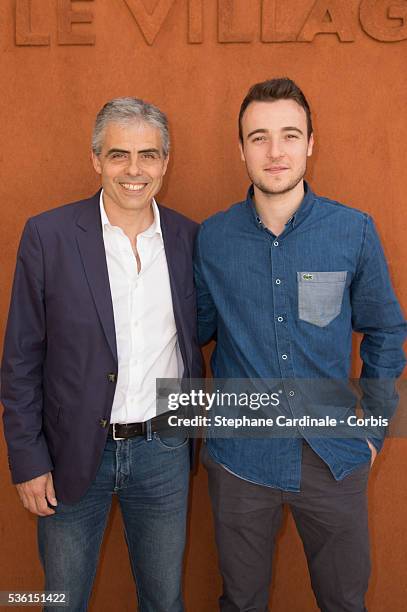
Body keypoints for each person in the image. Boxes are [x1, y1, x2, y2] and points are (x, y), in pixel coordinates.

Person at [194, 78, 406, 611]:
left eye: (290, 135)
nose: (275, 151)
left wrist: (374, 427)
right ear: (240, 148)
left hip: (335, 456)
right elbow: (189, 331)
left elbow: (385, 330)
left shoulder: (353, 230)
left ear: (311, 142)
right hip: (241, 458)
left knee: (344, 602)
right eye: (259, 137)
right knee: (240, 603)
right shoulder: (212, 239)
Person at [1, 97, 202, 612]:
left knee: (164, 599)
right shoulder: (48, 236)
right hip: (70, 454)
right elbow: (21, 359)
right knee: (61, 601)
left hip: (163, 451)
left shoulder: (187, 238)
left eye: (148, 155)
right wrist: (26, 459)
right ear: (96, 160)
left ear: (165, 161)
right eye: (119, 155)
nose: (134, 170)